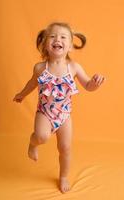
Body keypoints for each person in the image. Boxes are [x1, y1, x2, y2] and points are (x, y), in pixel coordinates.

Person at [13, 22, 106, 193]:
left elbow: (88, 86)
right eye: (53, 36)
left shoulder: (74, 67)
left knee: (65, 148)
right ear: (45, 44)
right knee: (41, 136)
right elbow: (31, 84)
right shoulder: (40, 68)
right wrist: (22, 94)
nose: (58, 39)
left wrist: (95, 83)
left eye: (63, 37)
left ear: (70, 45)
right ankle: (33, 144)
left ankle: (63, 176)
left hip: (64, 115)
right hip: (45, 112)